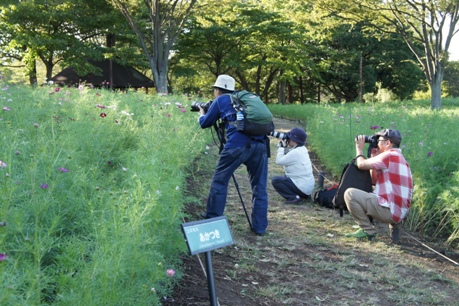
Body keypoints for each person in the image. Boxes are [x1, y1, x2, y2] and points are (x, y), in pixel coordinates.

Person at [197, 74, 269, 236]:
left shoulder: (221, 100)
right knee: (260, 187)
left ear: (217, 90)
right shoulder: (244, 99)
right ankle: (259, 227)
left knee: (220, 181)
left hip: (237, 145)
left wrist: (202, 113)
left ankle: (213, 219)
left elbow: (205, 123)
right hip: (260, 144)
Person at [344, 129, 413, 243]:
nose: (377, 143)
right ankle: (391, 235)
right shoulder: (399, 158)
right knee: (369, 191)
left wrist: (359, 149)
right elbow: (373, 180)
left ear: (388, 143)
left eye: (379, 140)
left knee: (350, 194)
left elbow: (361, 164)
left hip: (391, 212)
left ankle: (367, 230)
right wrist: (374, 155)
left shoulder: (389, 155)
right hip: (399, 212)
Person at [271, 128, 314, 204]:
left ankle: (294, 198)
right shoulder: (302, 149)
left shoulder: (296, 152)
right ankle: (301, 195)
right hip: (306, 188)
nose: (287, 139)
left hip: (302, 188)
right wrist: (284, 147)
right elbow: (289, 155)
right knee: (284, 178)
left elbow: (279, 161)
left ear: (294, 140)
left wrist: (281, 148)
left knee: (276, 180)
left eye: (289, 138)